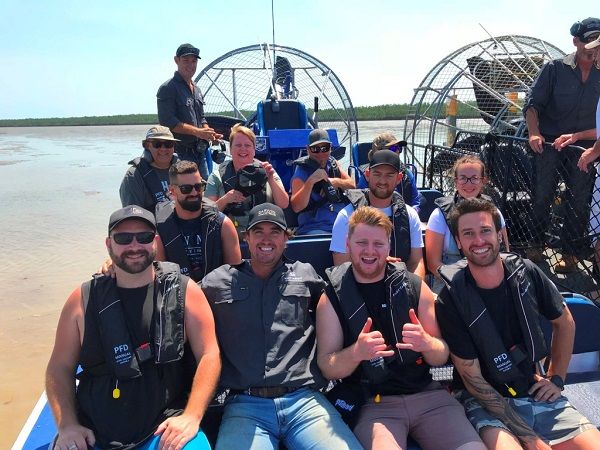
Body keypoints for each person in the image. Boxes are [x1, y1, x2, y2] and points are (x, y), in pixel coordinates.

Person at [46, 205, 220, 450]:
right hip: (92, 433)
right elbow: (59, 367)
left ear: (155, 242)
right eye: (123, 238)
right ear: (109, 245)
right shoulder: (81, 301)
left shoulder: (186, 292)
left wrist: (192, 415)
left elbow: (209, 354)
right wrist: (67, 425)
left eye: (144, 237)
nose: (134, 246)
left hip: (163, 429)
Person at [435, 198, 600, 449]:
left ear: (500, 235)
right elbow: (474, 382)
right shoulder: (452, 298)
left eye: (485, 231)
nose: (479, 241)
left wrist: (556, 379)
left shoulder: (528, 272)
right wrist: (532, 440)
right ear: (458, 242)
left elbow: (565, 321)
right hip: (485, 403)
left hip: (533, 388)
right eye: (468, 234)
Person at [317, 206, 485, 450]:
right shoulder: (332, 296)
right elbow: (327, 366)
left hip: (430, 396)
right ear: (348, 244)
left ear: (389, 246)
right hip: (373, 404)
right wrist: (356, 353)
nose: (370, 251)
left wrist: (427, 343)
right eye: (362, 242)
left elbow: (441, 355)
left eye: (378, 244)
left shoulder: (415, 287)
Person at [200, 203, 362, 450]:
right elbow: (178, 299)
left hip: (305, 401)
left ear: (286, 238)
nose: (267, 239)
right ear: (247, 238)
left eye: (275, 232)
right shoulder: (218, 281)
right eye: (258, 232)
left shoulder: (307, 275)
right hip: (245, 405)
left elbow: (348, 292)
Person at [523, 17, 600, 272]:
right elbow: (533, 104)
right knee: (542, 194)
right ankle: (535, 244)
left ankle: (570, 254)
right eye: (589, 39)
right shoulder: (554, 68)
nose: (594, 46)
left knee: (579, 199)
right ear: (576, 41)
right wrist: (534, 133)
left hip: (586, 148)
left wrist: (581, 137)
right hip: (549, 144)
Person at [330, 151, 425, 279]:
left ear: (399, 178)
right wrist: (377, 266)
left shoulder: (411, 215)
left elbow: (416, 262)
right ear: (368, 175)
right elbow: (340, 266)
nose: (382, 181)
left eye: (389, 175)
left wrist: (414, 291)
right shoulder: (346, 216)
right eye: (377, 174)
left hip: (399, 290)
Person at [425, 155, 509, 293]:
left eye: (475, 178)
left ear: (483, 181)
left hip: (490, 278)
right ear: (456, 182)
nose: (469, 183)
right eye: (463, 178)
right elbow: (433, 264)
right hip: (451, 281)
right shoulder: (438, 216)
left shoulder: (495, 212)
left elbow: (504, 251)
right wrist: (465, 283)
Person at [155, 160, 241, 281]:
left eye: (198, 186)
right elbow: (159, 277)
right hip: (177, 295)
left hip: (216, 294)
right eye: (186, 189)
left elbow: (235, 275)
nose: (194, 193)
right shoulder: (160, 230)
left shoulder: (224, 225)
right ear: (172, 191)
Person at [205, 124, 289, 235]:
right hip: (230, 234)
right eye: (238, 145)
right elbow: (207, 214)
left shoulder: (267, 170)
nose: (243, 149)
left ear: (254, 150)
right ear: (230, 149)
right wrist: (225, 200)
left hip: (262, 232)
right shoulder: (216, 176)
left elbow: (283, 204)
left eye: (247, 145)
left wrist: (271, 179)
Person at [157, 43, 222, 180]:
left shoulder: (197, 89)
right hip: (179, 153)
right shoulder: (168, 88)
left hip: (200, 152)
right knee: (185, 192)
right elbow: (168, 122)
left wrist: (209, 133)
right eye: (186, 60)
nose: (190, 65)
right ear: (176, 60)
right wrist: (198, 132)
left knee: (204, 191)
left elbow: (202, 118)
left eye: (194, 61)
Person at [290, 128, 355, 235]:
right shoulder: (301, 172)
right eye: (315, 148)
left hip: (342, 223)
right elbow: (296, 207)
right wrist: (310, 182)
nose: (320, 153)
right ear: (308, 149)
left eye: (325, 148)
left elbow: (353, 186)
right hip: (316, 227)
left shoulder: (333, 163)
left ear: (330, 148)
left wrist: (335, 182)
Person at [356, 132, 422, 212]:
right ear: (379, 151)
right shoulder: (366, 176)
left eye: (399, 148)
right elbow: (361, 206)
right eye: (393, 149)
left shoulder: (407, 174)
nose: (397, 151)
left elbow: (415, 202)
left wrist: (410, 215)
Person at [119, 125, 179, 212]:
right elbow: (132, 216)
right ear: (147, 146)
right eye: (157, 144)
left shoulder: (183, 170)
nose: (163, 149)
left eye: (168, 144)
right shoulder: (133, 176)